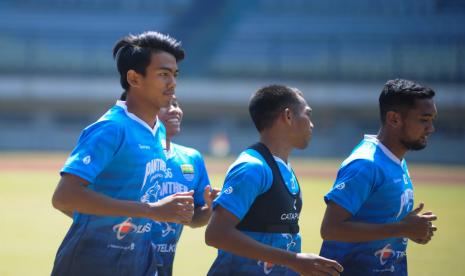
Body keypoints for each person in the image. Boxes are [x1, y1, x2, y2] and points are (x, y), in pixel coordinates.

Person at [51, 31, 195, 276]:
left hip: (138, 264)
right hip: (89, 266)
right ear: (134, 78)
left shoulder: (157, 131)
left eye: (174, 74)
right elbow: (63, 197)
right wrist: (149, 210)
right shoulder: (111, 128)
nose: (172, 83)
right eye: (163, 74)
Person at [205, 84, 343, 275]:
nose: (312, 124)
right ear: (288, 116)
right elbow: (216, 234)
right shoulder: (253, 167)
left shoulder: (284, 168)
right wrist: (294, 260)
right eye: (307, 114)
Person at [319, 79, 438, 275]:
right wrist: (402, 228)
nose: (431, 128)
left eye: (432, 119)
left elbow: (382, 221)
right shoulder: (366, 164)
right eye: (424, 119)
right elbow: (331, 229)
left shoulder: (395, 159)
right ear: (394, 119)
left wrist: (409, 228)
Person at [121, 92, 220, 276]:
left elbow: (193, 218)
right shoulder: (128, 153)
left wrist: (209, 208)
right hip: (120, 263)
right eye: (166, 105)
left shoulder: (192, 158)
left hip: (163, 266)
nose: (175, 110)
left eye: (176, 104)